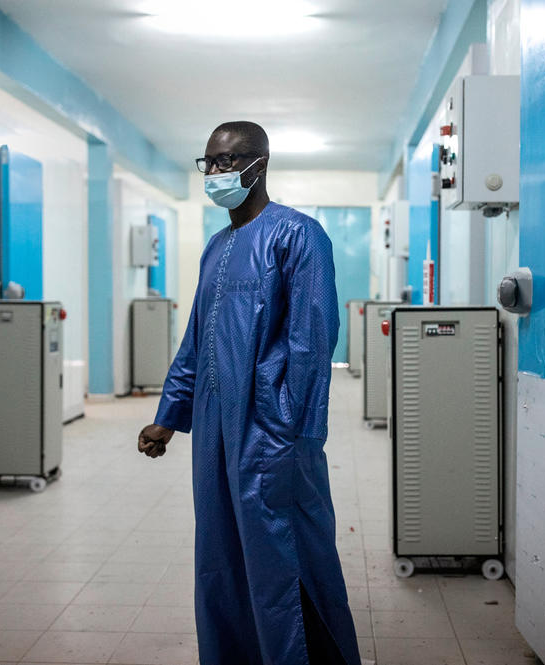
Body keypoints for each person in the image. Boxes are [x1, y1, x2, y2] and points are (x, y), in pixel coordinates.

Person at [138, 121, 361, 665]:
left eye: (228, 161)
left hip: (271, 427)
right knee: (219, 553)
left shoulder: (298, 235)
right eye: (209, 162)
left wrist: (299, 434)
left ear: (259, 165)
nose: (216, 172)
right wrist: (169, 415)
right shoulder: (216, 247)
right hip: (215, 428)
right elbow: (197, 337)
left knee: (282, 555)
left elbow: (313, 340)